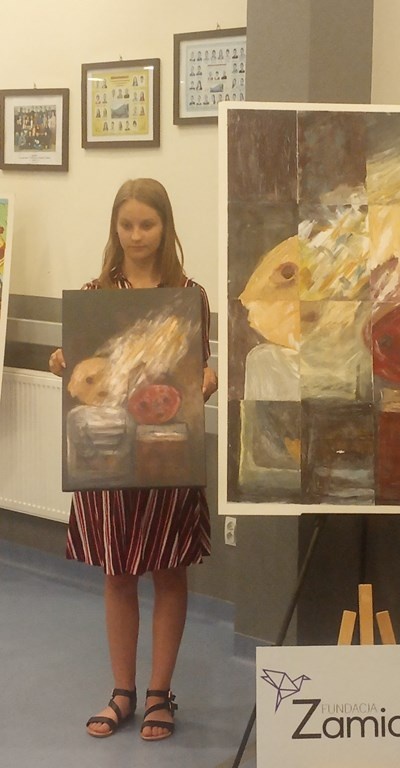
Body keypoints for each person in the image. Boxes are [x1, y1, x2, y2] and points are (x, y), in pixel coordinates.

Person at [48, 178, 218, 741]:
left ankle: (159, 694)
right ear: (114, 228)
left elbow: (196, 374)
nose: (137, 234)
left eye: (147, 224)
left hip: (168, 454)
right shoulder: (94, 294)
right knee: (117, 573)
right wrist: (62, 364)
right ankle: (122, 691)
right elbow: (85, 377)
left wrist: (208, 381)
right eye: (127, 224)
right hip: (108, 458)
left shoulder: (190, 295)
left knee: (169, 570)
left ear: (165, 227)